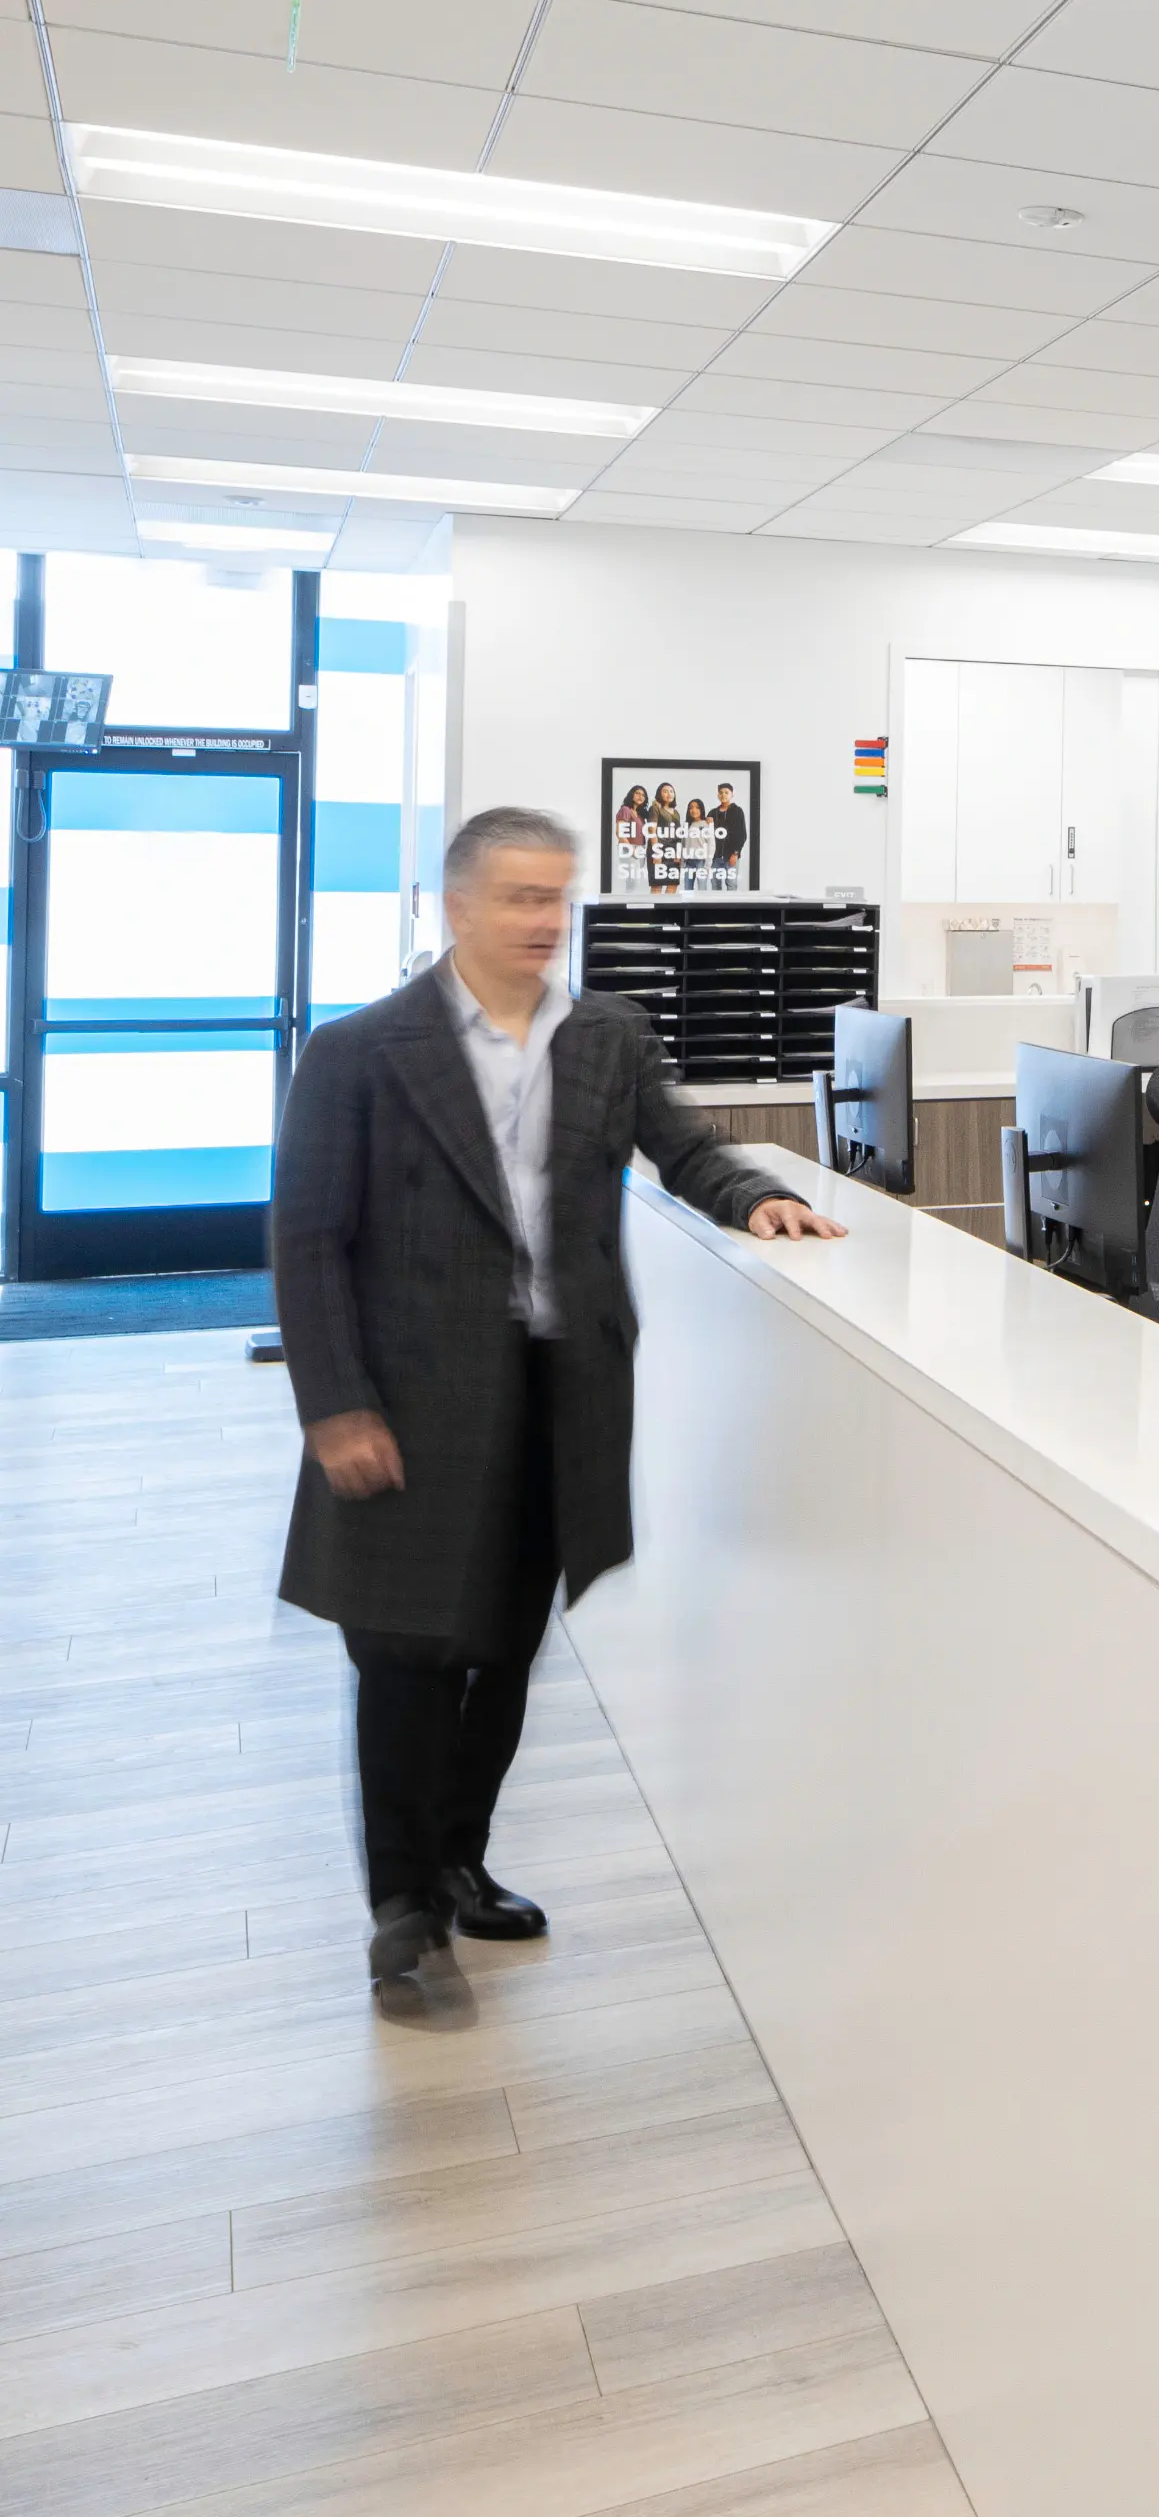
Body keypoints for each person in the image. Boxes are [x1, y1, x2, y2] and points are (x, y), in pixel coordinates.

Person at [273, 805, 845, 1992]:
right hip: (412, 1403)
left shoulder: (607, 1039)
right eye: (523, 898)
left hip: (557, 1398)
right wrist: (335, 1404)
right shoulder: (358, 1053)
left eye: (557, 898)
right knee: (406, 1657)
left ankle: (462, 1863)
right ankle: (403, 1906)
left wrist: (753, 1196)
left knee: (500, 1646)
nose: (546, 922)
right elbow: (308, 1239)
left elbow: (686, 1148)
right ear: (461, 907)